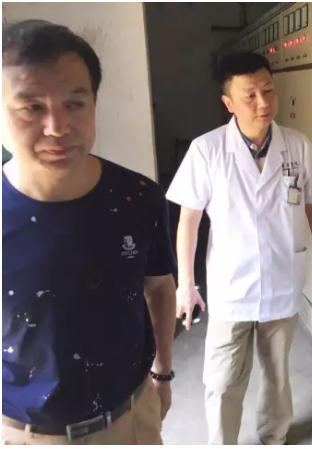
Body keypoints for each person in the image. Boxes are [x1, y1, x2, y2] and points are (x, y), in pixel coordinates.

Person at [2, 20, 177, 444]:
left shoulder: (138, 197)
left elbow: (159, 287)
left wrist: (163, 372)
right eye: (31, 108)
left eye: (74, 104)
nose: (57, 127)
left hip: (132, 418)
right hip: (29, 435)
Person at [166, 51, 312, 445]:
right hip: (231, 286)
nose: (263, 103)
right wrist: (186, 284)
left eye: (268, 91)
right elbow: (189, 220)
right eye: (250, 96)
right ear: (228, 102)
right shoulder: (207, 150)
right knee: (223, 379)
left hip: (282, 278)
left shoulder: (297, 146)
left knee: (277, 372)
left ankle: (273, 435)